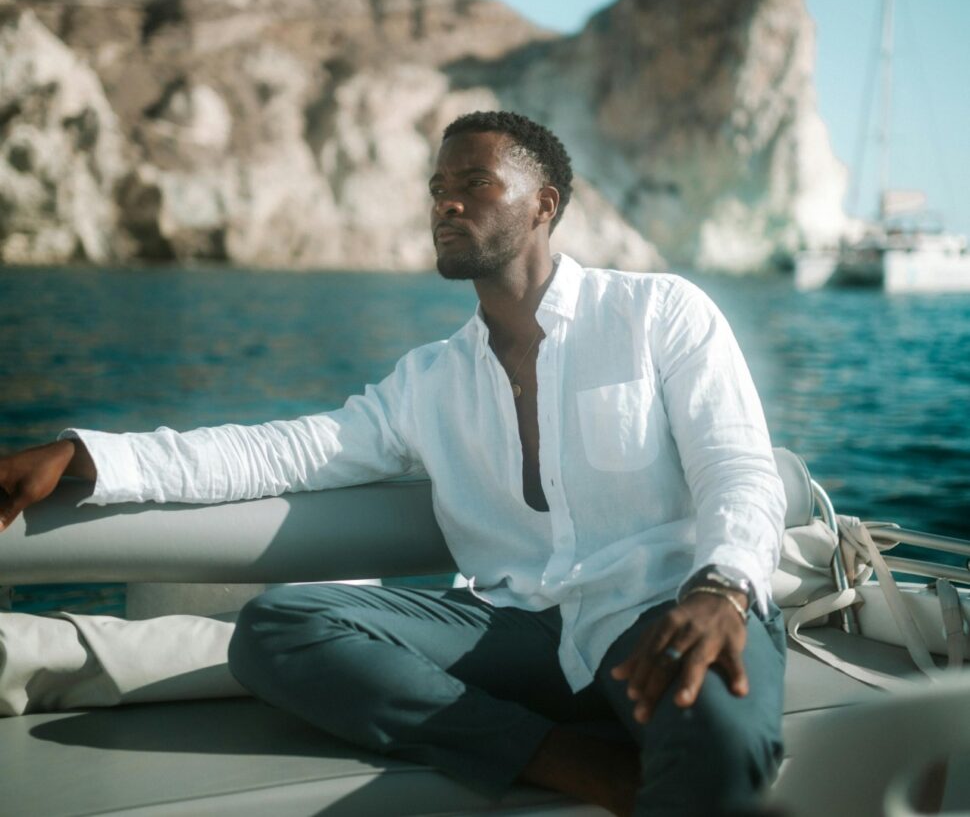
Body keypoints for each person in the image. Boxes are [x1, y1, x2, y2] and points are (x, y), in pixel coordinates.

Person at [0, 111, 787, 816]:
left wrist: (722, 585)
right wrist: (88, 455)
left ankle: (597, 751)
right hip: (519, 630)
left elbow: (739, 467)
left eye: (475, 183)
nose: (446, 203)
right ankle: (575, 764)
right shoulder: (430, 379)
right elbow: (285, 450)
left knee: (716, 750)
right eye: (438, 187)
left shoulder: (658, 312)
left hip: (669, 611)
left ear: (544, 204)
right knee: (280, 628)